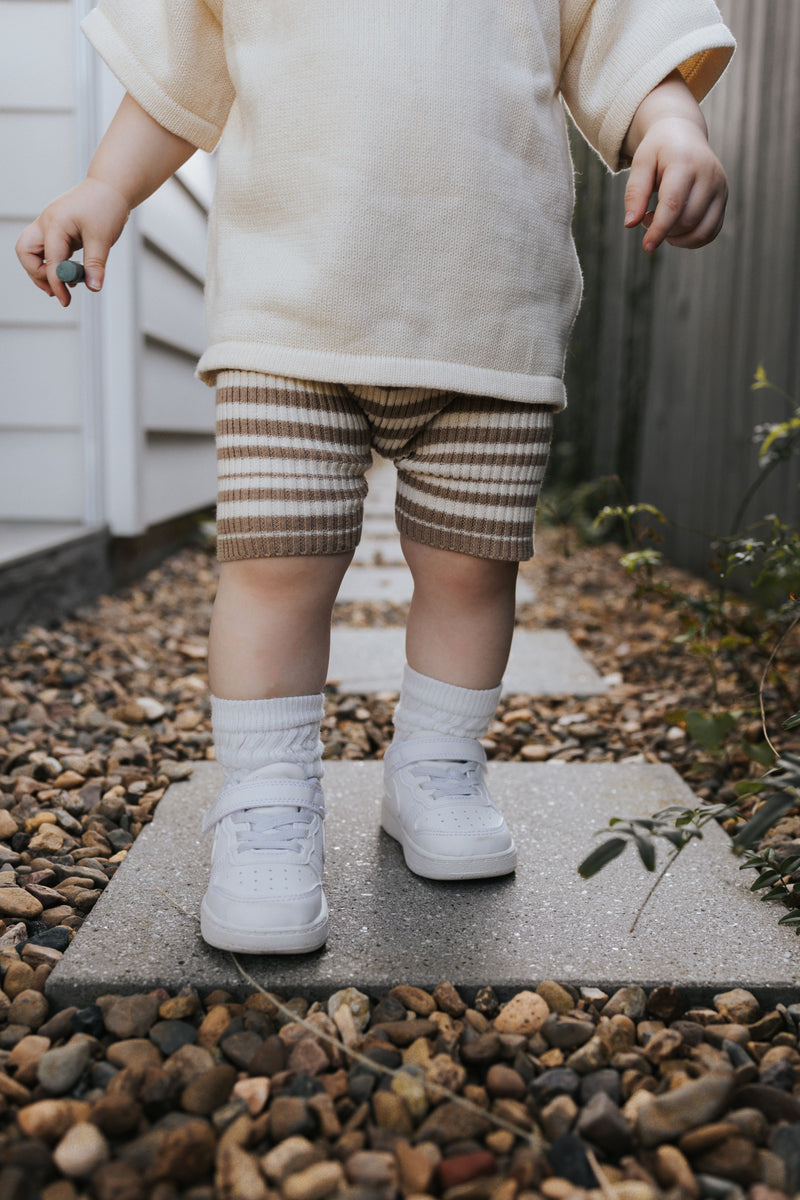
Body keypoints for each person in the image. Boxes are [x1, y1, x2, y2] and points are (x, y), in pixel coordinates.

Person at [16, 0, 734, 955]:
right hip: (291, 314)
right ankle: (267, 797)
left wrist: (674, 121)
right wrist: (108, 186)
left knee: (470, 569)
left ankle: (435, 765)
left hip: (485, 313)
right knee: (277, 566)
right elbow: (190, 64)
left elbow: (626, 29)